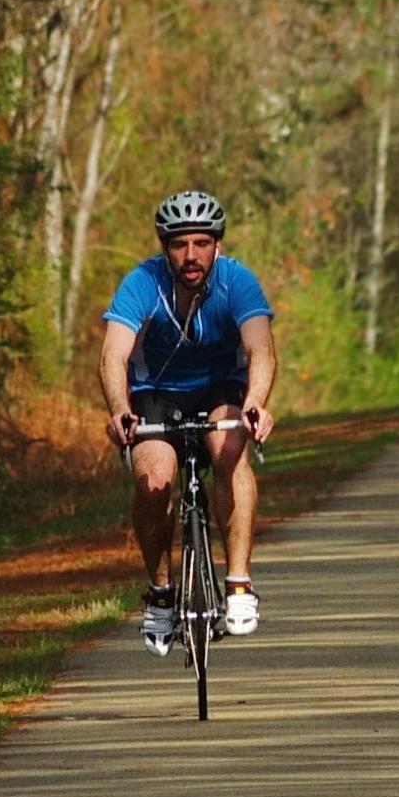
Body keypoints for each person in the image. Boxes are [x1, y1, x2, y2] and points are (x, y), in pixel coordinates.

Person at [100, 190, 277, 657]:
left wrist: (256, 403)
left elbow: (261, 348)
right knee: (154, 478)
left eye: (202, 242)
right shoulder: (142, 282)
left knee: (229, 448)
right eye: (180, 244)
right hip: (155, 394)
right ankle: (160, 592)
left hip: (220, 387)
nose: (191, 254)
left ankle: (238, 585)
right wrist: (119, 408)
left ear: (217, 244)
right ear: (165, 247)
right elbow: (113, 355)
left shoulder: (236, 281)